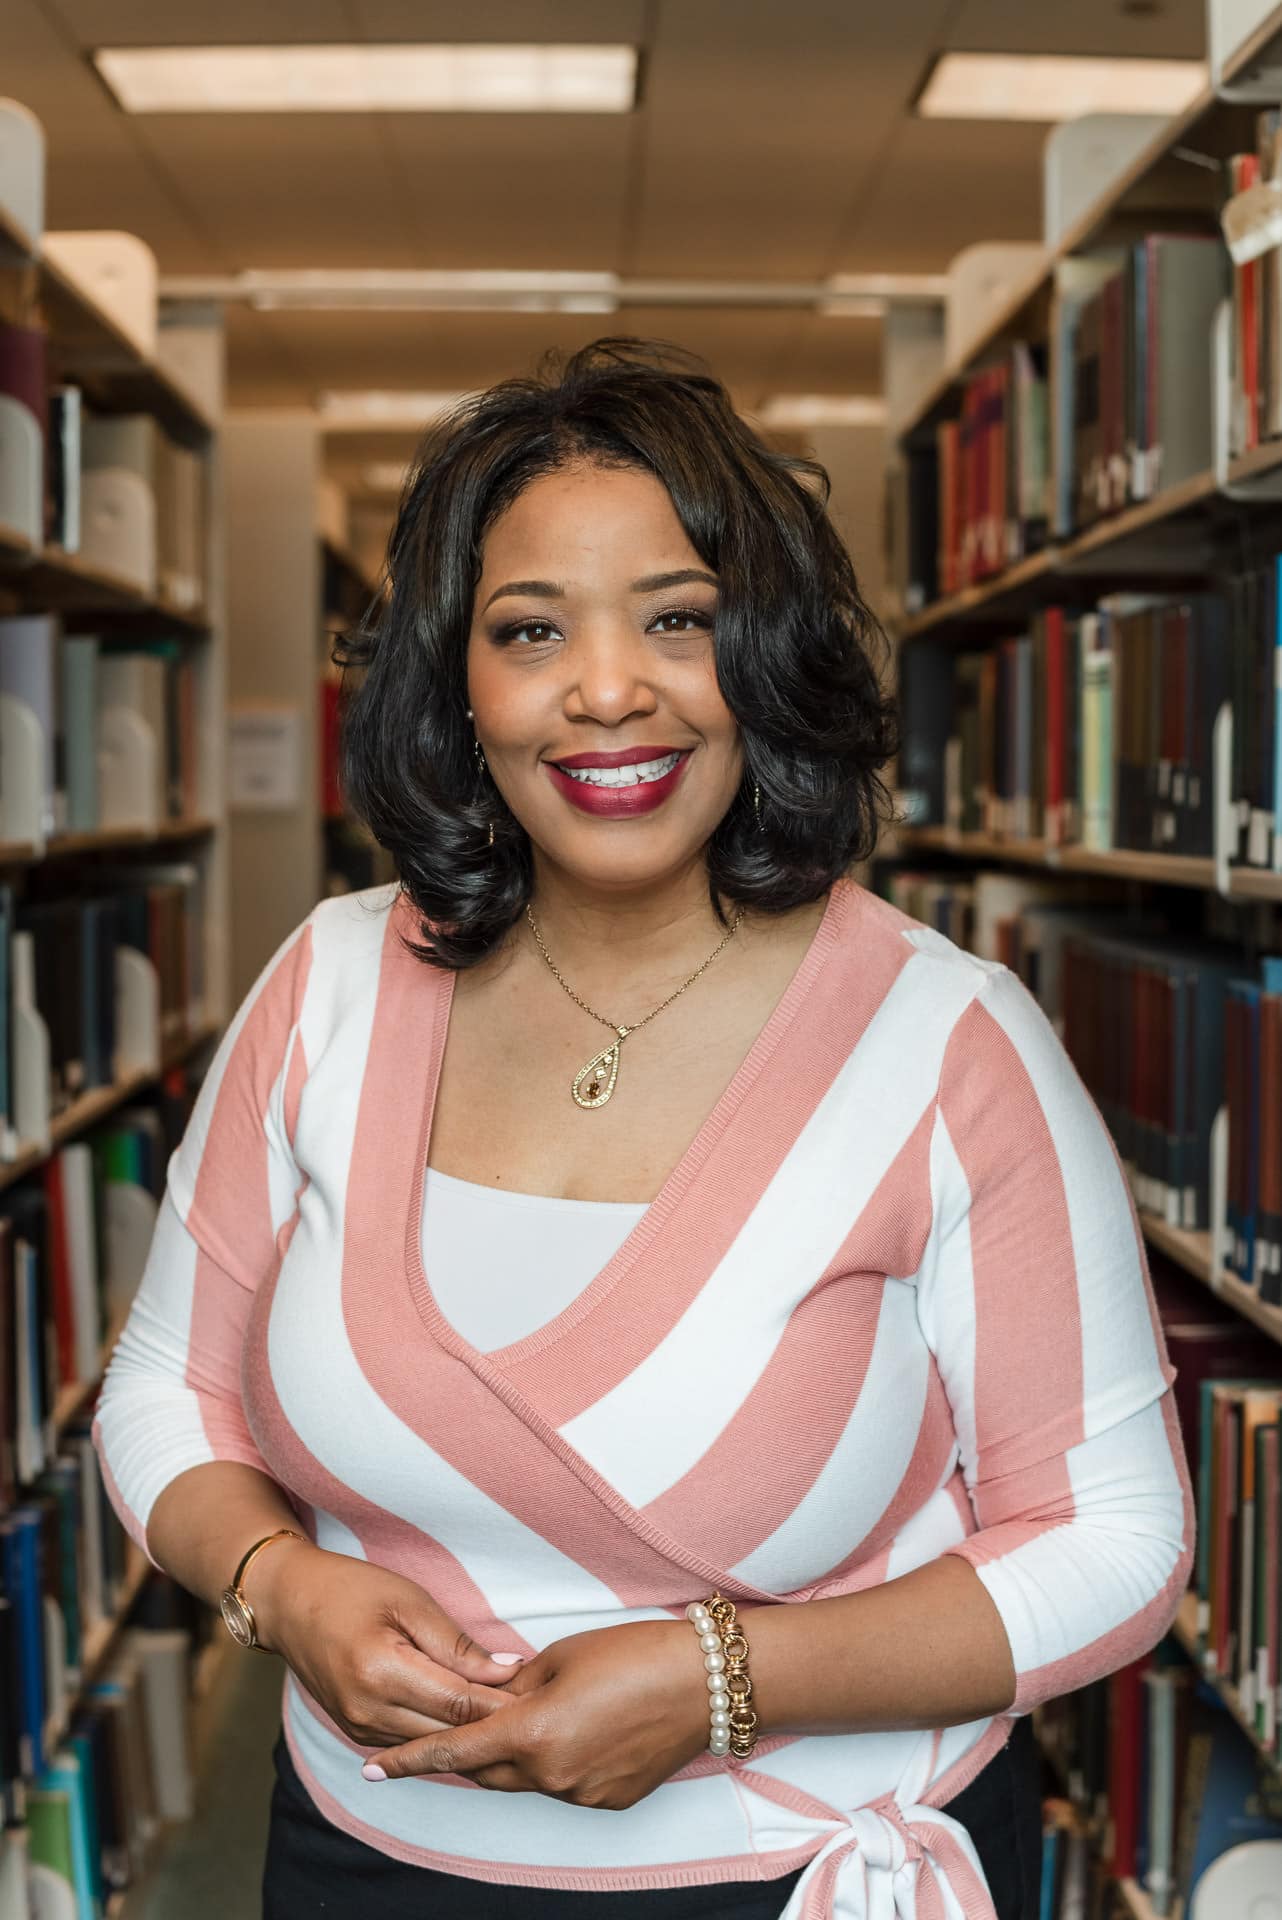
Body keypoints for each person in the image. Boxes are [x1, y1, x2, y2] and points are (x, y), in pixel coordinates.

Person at [93, 338, 1192, 1920]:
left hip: (790, 1871)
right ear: (457, 686)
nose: (607, 688)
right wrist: (280, 1585)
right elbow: (165, 1393)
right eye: (528, 629)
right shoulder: (328, 981)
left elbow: (1117, 1540)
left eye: (679, 619)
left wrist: (722, 1680)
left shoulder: (949, 1044)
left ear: (767, 657)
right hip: (364, 1857)